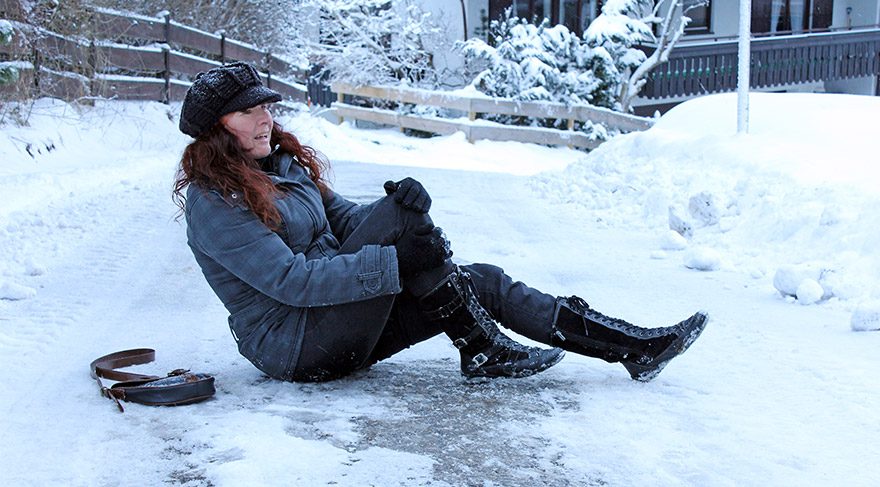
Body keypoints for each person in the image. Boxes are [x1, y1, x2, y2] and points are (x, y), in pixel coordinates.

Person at [173, 62, 708, 384]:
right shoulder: (213, 200)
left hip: (340, 316)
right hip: (296, 343)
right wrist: (394, 259)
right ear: (218, 129)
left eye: (266, 106)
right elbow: (292, 281)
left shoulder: (281, 166)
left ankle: (636, 349)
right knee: (406, 235)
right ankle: (480, 347)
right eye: (249, 112)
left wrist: (402, 206)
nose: (267, 118)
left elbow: (346, 218)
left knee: (482, 280)